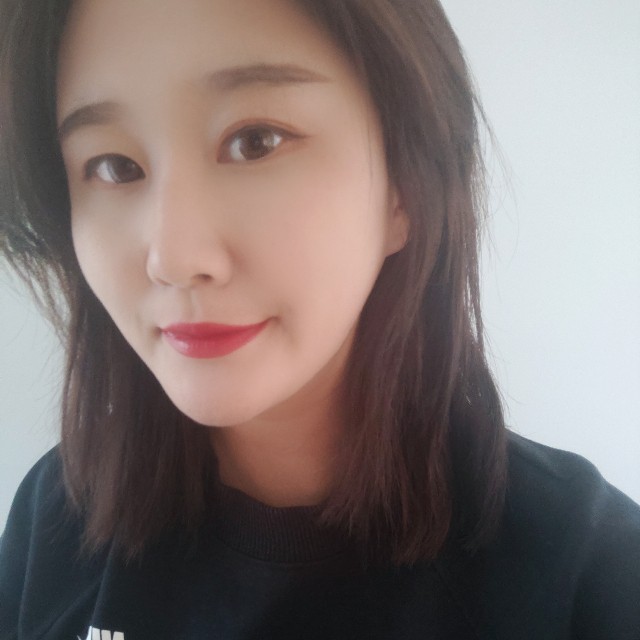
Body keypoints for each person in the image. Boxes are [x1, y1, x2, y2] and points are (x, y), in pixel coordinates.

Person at [0, 0, 638, 638]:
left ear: (405, 189)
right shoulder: (53, 516)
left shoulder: (585, 576)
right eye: (114, 166)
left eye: (255, 141)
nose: (173, 259)